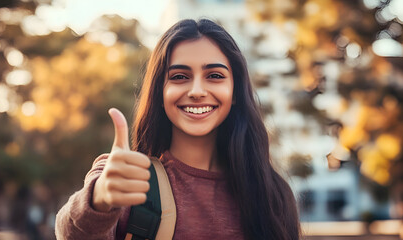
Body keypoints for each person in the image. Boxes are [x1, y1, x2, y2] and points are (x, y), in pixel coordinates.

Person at [55, 19, 300, 240]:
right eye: (180, 77)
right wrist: (99, 200)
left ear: (235, 92)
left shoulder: (272, 194)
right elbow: (70, 233)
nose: (196, 91)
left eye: (214, 75)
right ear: (160, 93)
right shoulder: (125, 178)